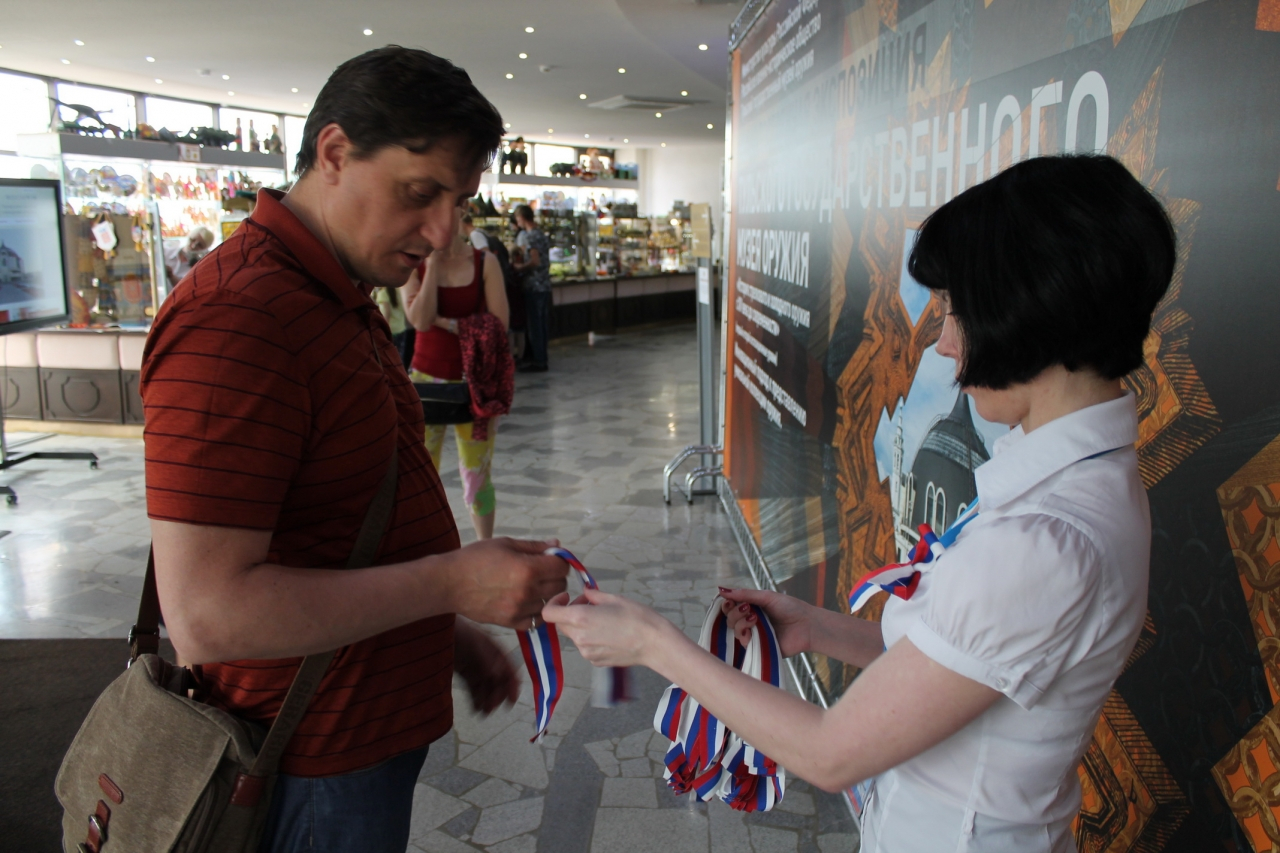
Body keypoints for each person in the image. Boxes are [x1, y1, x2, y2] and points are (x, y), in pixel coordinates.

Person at [545, 155, 1176, 853]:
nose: (944, 343)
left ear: (1032, 310)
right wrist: (816, 628)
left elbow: (831, 751)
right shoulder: (1073, 483)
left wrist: (651, 644)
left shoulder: (1045, 540)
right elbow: (959, 664)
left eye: (958, 312)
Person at [141, 46, 569, 853]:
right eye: (420, 192)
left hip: (354, 747)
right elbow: (207, 614)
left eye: (459, 201)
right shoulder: (238, 318)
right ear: (335, 152)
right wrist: (450, 581)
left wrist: (446, 629)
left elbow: (338, 526)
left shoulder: (333, 292)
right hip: (303, 763)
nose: (441, 231)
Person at [404, 216, 509, 540]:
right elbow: (420, 321)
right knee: (421, 475)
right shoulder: (415, 261)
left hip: (475, 384)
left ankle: (485, 547)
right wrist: (433, 265)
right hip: (425, 380)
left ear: (461, 213)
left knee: (477, 475)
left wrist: (449, 324)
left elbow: (500, 325)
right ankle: (426, 548)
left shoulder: (484, 262)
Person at [511, 204, 551, 372]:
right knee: (541, 324)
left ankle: (538, 360)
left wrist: (520, 268)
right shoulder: (541, 233)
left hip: (534, 285)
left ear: (521, 218)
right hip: (544, 284)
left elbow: (535, 261)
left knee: (534, 325)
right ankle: (542, 357)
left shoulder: (531, 236)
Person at [374, 285, 413, 369]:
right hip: (401, 329)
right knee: (399, 358)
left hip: (391, 332)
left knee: (389, 360)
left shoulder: (383, 294)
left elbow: (386, 315)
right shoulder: (399, 291)